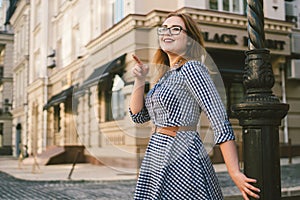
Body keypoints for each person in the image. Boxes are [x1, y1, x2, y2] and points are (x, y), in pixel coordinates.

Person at [129, 12, 260, 200]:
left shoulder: (192, 69)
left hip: (181, 151)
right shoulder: (164, 77)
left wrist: (234, 172)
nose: (168, 33)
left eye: (176, 29)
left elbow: (218, 118)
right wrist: (139, 80)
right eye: (164, 29)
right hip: (156, 152)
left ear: (190, 40)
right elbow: (138, 116)